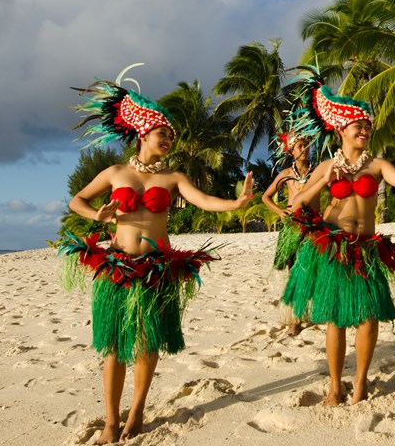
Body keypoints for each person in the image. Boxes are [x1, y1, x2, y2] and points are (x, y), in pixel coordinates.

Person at [59, 64, 253, 444]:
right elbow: (76, 200)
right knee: (114, 346)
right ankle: (111, 421)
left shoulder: (173, 177)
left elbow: (203, 200)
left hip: (155, 269)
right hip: (117, 266)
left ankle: (137, 412)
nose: (168, 139)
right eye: (163, 132)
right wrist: (96, 215)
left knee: (147, 343)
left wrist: (236, 203)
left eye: (171, 135)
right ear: (143, 133)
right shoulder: (115, 172)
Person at [280, 67, 395, 405]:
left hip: (366, 247)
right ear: (342, 129)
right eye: (359, 125)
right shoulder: (326, 166)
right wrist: (325, 177)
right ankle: (334, 386)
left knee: (369, 315)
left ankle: (359, 383)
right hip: (333, 247)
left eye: (367, 126)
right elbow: (299, 203)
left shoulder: (378, 165)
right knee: (335, 317)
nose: (365, 130)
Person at [262, 130, 313, 335]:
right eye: (300, 146)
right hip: (292, 226)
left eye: (307, 145)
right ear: (291, 150)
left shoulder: (317, 171)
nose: (305, 149)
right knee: (293, 271)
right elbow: (266, 197)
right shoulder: (285, 174)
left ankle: (311, 310)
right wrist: (279, 211)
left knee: (310, 269)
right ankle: (295, 319)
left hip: (313, 225)